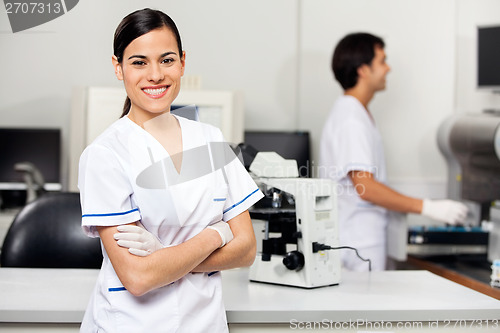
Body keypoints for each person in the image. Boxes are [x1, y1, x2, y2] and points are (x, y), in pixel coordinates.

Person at [78, 8, 263, 332]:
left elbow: (246, 249)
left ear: (182, 62)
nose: (155, 75)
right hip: (133, 324)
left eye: (166, 60)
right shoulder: (105, 155)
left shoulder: (209, 139)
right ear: (117, 67)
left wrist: (165, 255)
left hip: (205, 323)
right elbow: (138, 276)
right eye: (139, 62)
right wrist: (216, 233)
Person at [318, 32, 468, 272]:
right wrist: (428, 207)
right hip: (358, 245)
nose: (388, 69)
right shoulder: (351, 120)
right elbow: (366, 187)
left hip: (359, 241)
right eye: (382, 61)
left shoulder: (355, 113)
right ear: (363, 70)